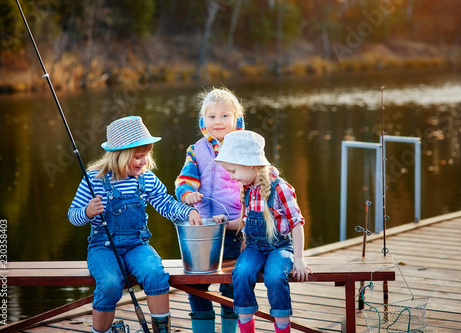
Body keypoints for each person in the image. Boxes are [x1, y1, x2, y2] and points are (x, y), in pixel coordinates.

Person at [68, 116, 202, 333]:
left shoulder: (146, 179)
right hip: (103, 247)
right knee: (110, 283)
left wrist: (189, 211)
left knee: (155, 274)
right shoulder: (93, 179)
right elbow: (73, 215)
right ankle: (100, 331)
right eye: (138, 157)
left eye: (146, 155)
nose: (145, 162)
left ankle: (161, 330)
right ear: (119, 156)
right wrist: (87, 212)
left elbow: (166, 203)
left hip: (137, 245)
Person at [213, 130, 313, 333]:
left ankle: (282, 327)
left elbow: (297, 223)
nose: (232, 178)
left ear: (250, 164)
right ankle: (246, 326)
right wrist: (225, 223)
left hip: (279, 247)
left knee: (275, 276)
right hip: (254, 247)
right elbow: (243, 223)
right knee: (241, 273)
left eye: (233, 171)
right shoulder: (248, 190)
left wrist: (300, 259)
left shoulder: (280, 189)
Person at [175, 87, 245, 333]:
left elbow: (259, 178)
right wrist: (188, 193)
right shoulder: (197, 149)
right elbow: (185, 179)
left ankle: (230, 327)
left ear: (237, 118)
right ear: (203, 120)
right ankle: (203, 328)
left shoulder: (244, 146)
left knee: (232, 283)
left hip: (236, 226)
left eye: (225, 116)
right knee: (197, 282)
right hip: (204, 227)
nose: (218, 122)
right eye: (212, 116)